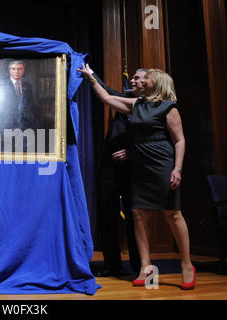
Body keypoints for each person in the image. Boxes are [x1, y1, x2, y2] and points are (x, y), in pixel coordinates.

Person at [78, 64, 195, 290]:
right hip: (140, 168)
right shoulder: (137, 104)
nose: (140, 81)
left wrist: (177, 168)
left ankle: (187, 265)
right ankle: (145, 267)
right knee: (138, 214)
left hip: (162, 163)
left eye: (146, 78)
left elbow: (180, 140)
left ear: (157, 83)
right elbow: (107, 97)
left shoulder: (169, 107)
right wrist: (90, 76)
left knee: (173, 214)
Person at [89, 67, 145, 277]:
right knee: (107, 213)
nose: (132, 80)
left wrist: (132, 152)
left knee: (135, 215)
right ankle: (112, 264)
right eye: (132, 77)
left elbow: (156, 138)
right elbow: (106, 91)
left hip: (135, 168)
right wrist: (91, 74)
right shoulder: (125, 98)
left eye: (137, 78)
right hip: (110, 165)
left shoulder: (152, 105)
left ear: (148, 82)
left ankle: (139, 266)